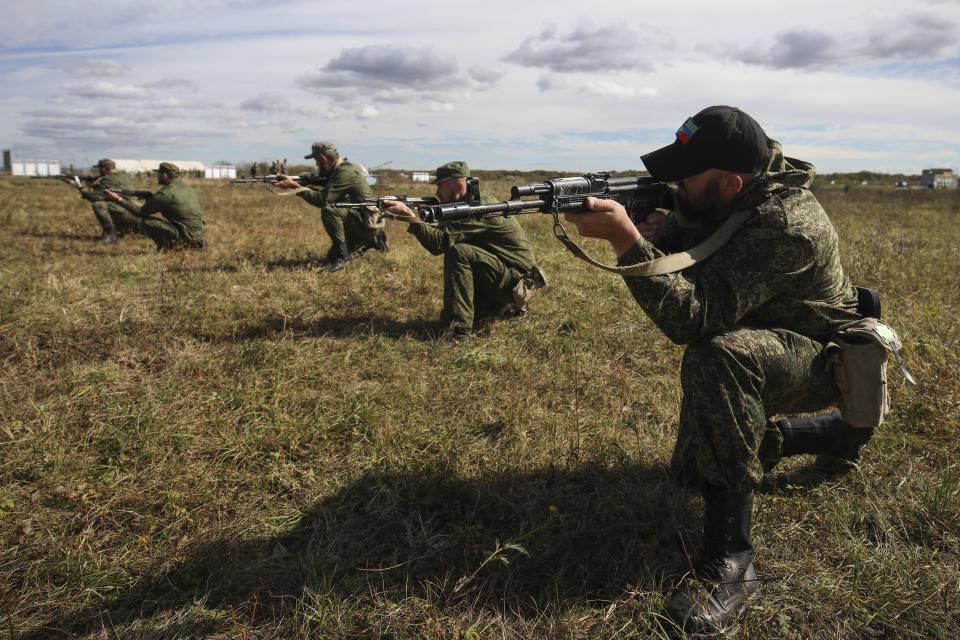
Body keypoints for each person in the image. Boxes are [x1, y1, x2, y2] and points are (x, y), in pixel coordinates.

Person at [563, 106, 871, 633]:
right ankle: (834, 436)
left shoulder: (785, 222)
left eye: (687, 176)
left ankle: (732, 561)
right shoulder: (734, 196)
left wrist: (626, 240)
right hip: (768, 333)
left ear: (731, 181)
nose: (674, 184)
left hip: (824, 357)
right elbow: (705, 248)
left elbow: (696, 317)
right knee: (692, 472)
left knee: (719, 354)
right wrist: (665, 229)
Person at [383, 161, 547, 341]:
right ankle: (502, 311)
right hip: (508, 281)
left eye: (440, 186)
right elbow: (450, 231)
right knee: (463, 253)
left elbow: (440, 243)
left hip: (517, 285)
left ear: (459, 185)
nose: (437, 193)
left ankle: (458, 333)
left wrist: (410, 218)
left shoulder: (479, 208)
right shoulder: (471, 203)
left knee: (459, 252)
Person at [274, 141, 387, 272]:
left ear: (323, 159)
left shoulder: (344, 171)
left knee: (330, 210)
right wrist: (300, 179)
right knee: (330, 257)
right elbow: (317, 177)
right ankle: (371, 240)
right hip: (363, 219)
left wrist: (295, 187)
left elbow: (322, 200)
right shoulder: (337, 169)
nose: (316, 164)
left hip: (366, 223)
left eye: (316, 160)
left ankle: (344, 258)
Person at [104, 162, 205, 251]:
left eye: (159, 174)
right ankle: (193, 243)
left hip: (186, 233)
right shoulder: (187, 188)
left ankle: (167, 247)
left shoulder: (167, 193)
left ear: (165, 175)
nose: (158, 176)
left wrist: (118, 199)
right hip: (197, 232)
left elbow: (140, 212)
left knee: (145, 222)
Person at [84, 159, 137, 244]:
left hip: (128, 214)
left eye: (100, 168)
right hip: (133, 211)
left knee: (98, 205)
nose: (99, 171)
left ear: (105, 168)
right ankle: (121, 230)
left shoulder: (108, 179)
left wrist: (82, 189)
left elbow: (97, 197)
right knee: (111, 205)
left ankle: (110, 235)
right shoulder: (122, 176)